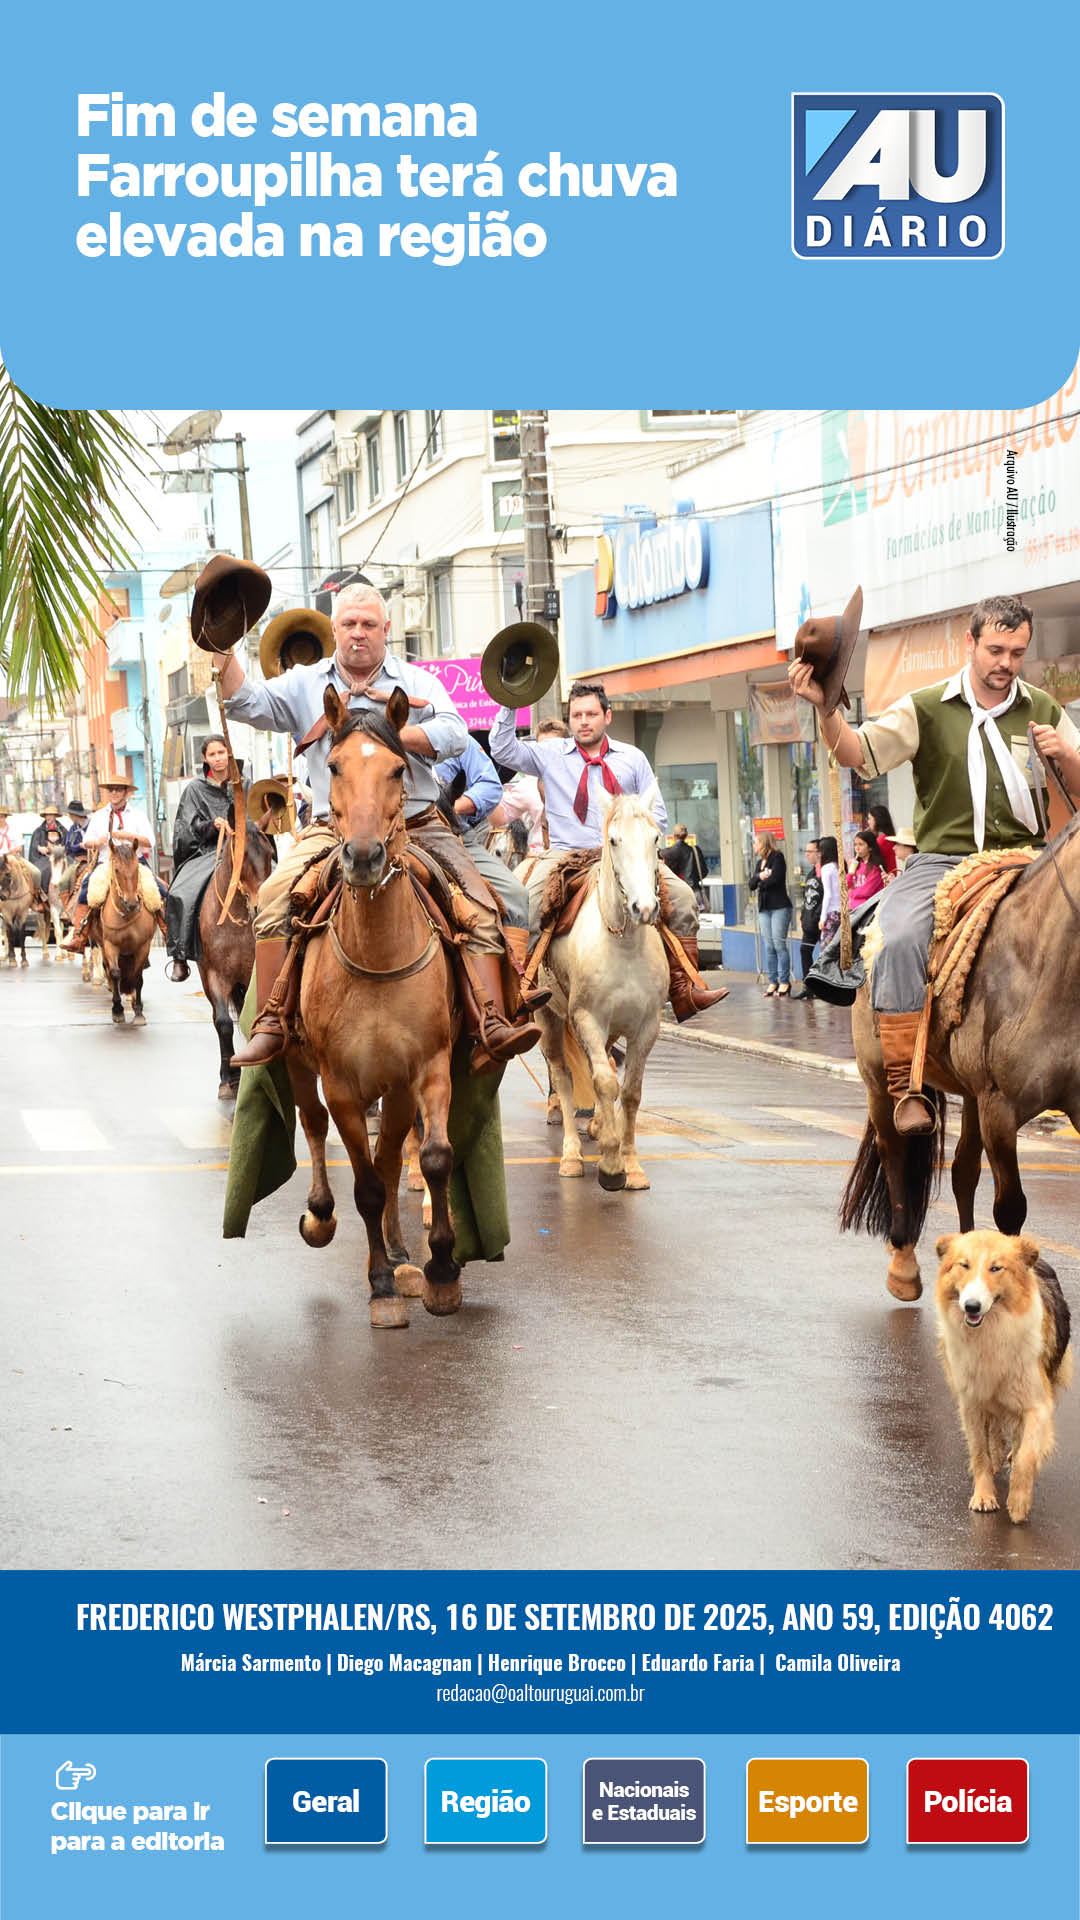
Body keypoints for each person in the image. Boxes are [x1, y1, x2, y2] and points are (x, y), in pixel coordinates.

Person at [211, 584, 545, 1071]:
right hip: (334, 828)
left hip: (419, 825)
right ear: (335, 630)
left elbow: (454, 733)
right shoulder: (306, 683)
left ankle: (492, 1018)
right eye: (349, 625)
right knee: (272, 899)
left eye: (369, 624)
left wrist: (390, 735)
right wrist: (224, 648)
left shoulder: (417, 680)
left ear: (386, 629)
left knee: (503, 900)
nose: (358, 634)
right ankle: (272, 1021)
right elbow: (243, 702)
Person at [789, 592, 1080, 1133]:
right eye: (995, 650)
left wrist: (1067, 756)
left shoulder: (1042, 708)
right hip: (941, 863)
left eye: (1017, 653)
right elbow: (856, 752)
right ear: (969, 643)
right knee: (897, 937)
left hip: (1027, 858)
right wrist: (824, 708)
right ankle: (905, 1087)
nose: (1005, 664)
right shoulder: (924, 706)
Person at [488, 682, 726, 1020]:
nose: (584, 721)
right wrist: (510, 703)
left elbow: (656, 812)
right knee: (525, 903)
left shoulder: (633, 758)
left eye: (591, 714)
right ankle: (520, 990)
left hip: (626, 855)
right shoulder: (550, 755)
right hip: (567, 856)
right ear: (569, 719)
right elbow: (502, 748)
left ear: (607, 716)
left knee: (685, 898)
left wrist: (638, 840)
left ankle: (684, 987)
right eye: (577, 715)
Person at [62, 775, 168, 950]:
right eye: (111, 790)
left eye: (118, 789)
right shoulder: (98, 816)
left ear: (126, 793)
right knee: (88, 886)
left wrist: (126, 835)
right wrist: (97, 842)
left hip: (135, 863)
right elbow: (87, 841)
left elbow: (150, 841)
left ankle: (168, 932)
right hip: (107, 863)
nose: (114, 793)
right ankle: (79, 935)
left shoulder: (137, 816)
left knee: (158, 889)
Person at [164, 735, 235, 982]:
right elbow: (186, 829)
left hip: (242, 848)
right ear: (205, 758)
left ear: (229, 753)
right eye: (212, 754)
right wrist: (212, 825)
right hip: (207, 852)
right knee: (179, 892)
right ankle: (180, 956)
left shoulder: (243, 784)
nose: (218, 758)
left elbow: (258, 816)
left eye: (221, 752)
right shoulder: (195, 789)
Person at [748, 829, 793, 996]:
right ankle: (772, 980)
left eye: (756, 842)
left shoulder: (777, 857)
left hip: (779, 906)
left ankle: (784, 981)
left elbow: (776, 879)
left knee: (779, 944)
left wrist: (761, 882)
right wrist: (761, 876)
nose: (754, 845)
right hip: (764, 908)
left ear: (763, 843)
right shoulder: (760, 862)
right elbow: (751, 884)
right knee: (769, 946)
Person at [791, 839, 822, 999]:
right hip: (809, 921)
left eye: (811, 851)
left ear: (819, 852)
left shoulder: (826, 872)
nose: (807, 855)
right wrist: (803, 916)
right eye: (806, 852)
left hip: (821, 921)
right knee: (805, 950)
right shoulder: (811, 873)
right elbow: (806, 898)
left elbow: (827, 897)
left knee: (826, 954)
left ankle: (825, 987)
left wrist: (819, 916)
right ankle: (808, 985)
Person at [662, 824, 709, 907]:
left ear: (673, 835)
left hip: (677, 895)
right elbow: (704, 871)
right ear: (686, 836)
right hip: (695, 892)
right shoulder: (695, 851)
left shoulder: (667, 853)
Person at [27, 805, 67, 895]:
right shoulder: (38, 831)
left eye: (50, 815)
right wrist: (39, 848)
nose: (48, 817)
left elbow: (66, 846)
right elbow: (34, 845)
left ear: (55, 816)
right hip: (42, 858)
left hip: (59, 858)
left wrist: (54, 849)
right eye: (47, 815)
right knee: (39, 871)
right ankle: (41, 895)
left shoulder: (63, 831)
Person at [847, 828, 887, 906]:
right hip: (853, 907)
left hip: (867, 909)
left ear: (870, 847)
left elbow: (866, 891)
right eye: (855, 844)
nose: (857, 848)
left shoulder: (875, 867)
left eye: (861, 844)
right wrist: (850, 872)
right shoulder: (857, 865)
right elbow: (846, 885)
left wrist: (851, 892)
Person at [867, 802, 898, 875]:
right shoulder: (885, 838)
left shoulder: (882, 840)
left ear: (877, 820)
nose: (868, 822)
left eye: (869, 819)